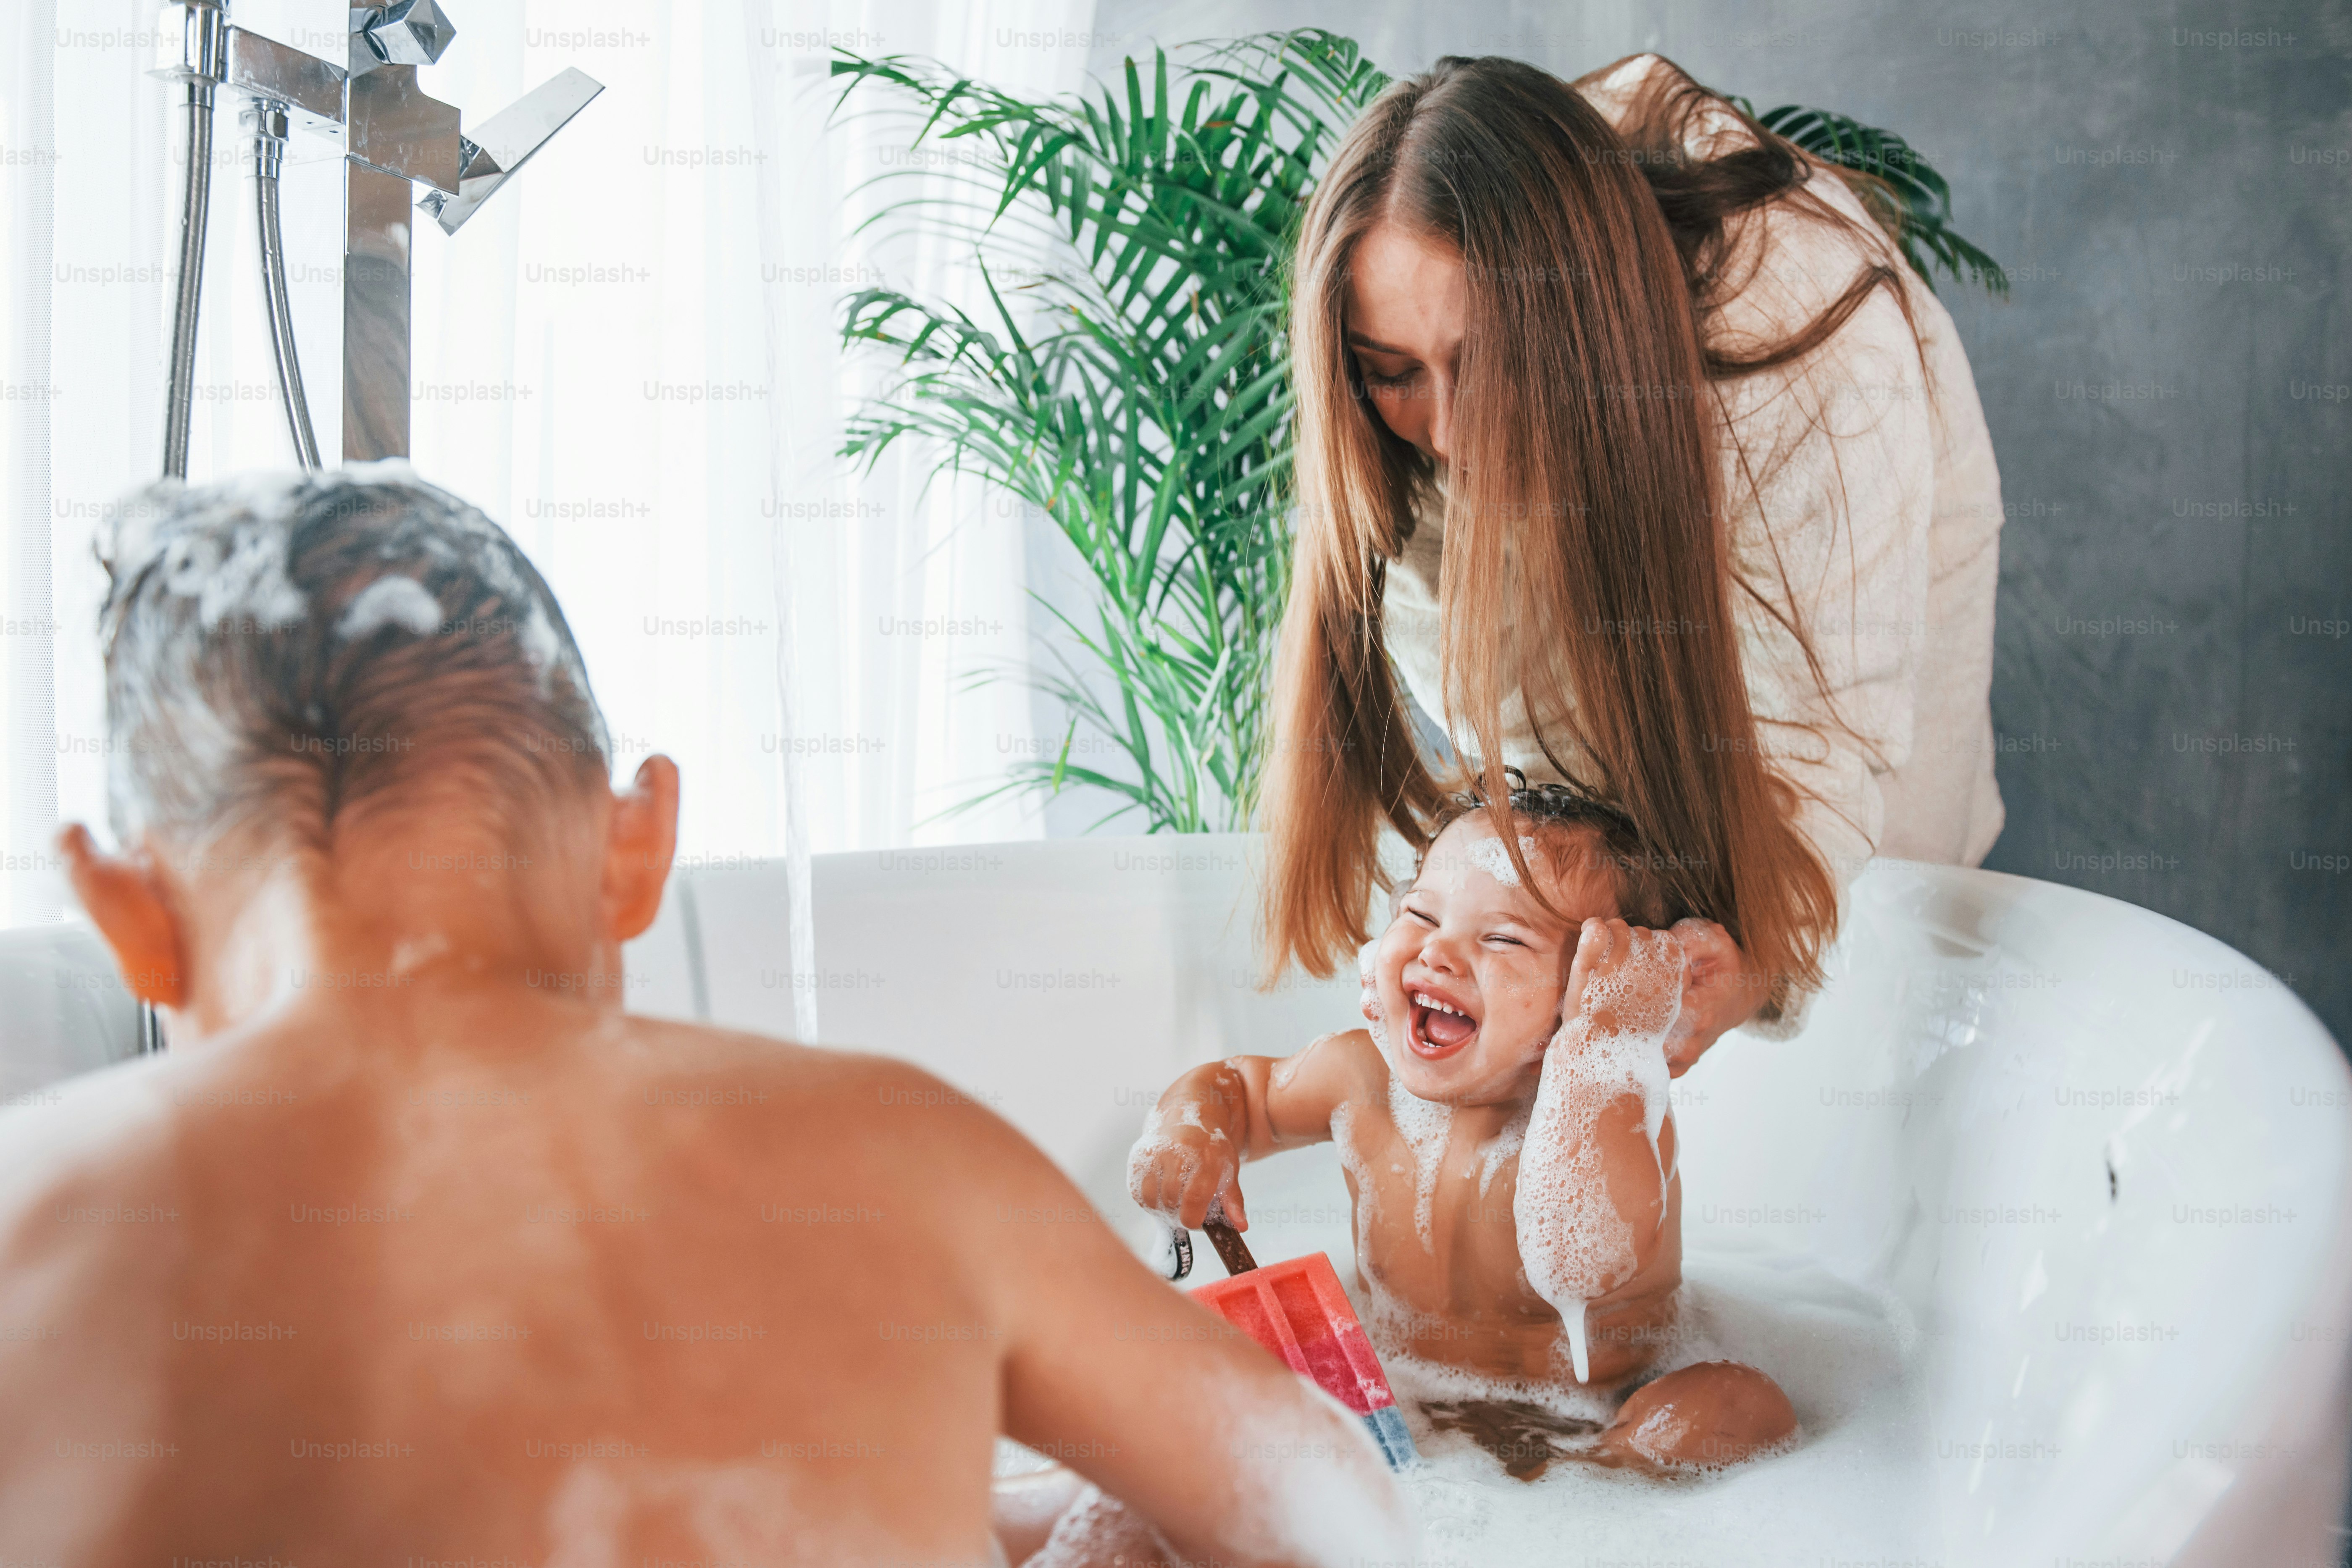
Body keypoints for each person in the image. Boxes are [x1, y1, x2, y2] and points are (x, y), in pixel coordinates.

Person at [0, 469, 1410, 1567]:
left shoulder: (32, 1230)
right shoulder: (898, 1159)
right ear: (637, 846)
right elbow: (1324, 1513)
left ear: (127, 913)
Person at [1261, 53, 2005, 1065]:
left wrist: (1733, 964)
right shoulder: (1425, 351)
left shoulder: (1811, 349)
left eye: (1483, 367)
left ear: (1568, 326)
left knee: (1872, 963)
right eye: (1394, 376)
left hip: (1840, 593)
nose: (1451, 433)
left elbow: (1822, 759)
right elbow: (1509, 728)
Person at [1135, 776, 1796, 1479]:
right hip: (1396, 1392)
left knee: (1740, 1404)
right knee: (1172, 1372)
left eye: (1505, 938)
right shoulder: (1361, 1078)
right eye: (1421, 913)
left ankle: (1593, 1484)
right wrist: (1189, 1129)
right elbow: (1242, 1089)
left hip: (1607, 1405)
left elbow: (1587, 1258)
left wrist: (1608, 1040)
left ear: (1593, 992)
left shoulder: (1616, 1107)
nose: (1439, 954)